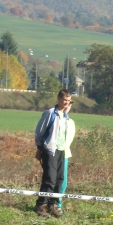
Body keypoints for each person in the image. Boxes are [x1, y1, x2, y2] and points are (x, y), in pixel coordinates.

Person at [34, 89, 75, 217]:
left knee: (59, 179)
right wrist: (39, 148)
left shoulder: (66, 116)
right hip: (50, 150)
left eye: (69, 101)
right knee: (50, 178)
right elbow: (40, 131)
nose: (66, 103)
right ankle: (41, 205)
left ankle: (53, 205)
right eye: (64, 100)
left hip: (62, 151)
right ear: (58, 99)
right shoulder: (50, 113)